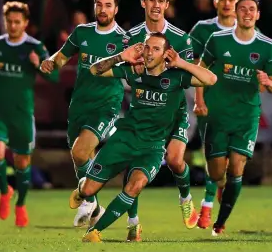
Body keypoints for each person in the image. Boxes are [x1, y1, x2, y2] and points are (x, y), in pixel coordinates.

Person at [69, 32, 217, 242]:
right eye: (147, 48)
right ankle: (83, 189)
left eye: (156, 49)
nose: (149, 53)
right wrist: (121, 56)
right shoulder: (133, 71)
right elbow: (94, 70)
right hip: (124, 140)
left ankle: (94, 232)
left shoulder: (176, 76)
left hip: (152, 147)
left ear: (166, 54)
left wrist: (181, 63)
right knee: (88, 189)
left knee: (136, 184)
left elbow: (211, 78)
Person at [39, 0, 126, 227]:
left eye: (108, 5)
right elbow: (62, 56)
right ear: (94, 6)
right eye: (99, 4)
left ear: (116, 9)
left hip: (107, 105)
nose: (103, 9)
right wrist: (50, 62)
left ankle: (86, 199)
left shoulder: (124, 39)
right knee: (81, 157)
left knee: (80, 151)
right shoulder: (82, 32)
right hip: (79, 104)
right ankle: (95, 206)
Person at [199, 0, 272, 236]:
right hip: (218, 116)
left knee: (237, 167)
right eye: (242, 9)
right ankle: (220, 186)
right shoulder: (217, 39)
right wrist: (200, 100)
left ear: (258, 15)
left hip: (246, 117)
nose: (247, 13)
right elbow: (200, 71)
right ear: (235, 13)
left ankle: (220, 223)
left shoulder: (266, 45)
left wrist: (269, 81)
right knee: (216, 173)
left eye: (252, 9)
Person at [122, 0, 198, 240]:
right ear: (143, 3)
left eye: (160, 0)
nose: (156, 5)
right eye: (151, 0)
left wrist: (174, 65)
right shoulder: (130, 37)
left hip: (173, 110)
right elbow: (120, 72)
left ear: (167, 4)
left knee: (176, 161)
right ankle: (133, 223)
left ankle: (185, 196)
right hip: (142, 110)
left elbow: (189, 72)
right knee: (132, 165)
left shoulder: (181, 37)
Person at [0, 1, 59, 227]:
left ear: (25, 23)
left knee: (22, 163)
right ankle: (5, 192)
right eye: (9, 22)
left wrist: (38, 65)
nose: (13, 26)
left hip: (22, 114)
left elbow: (53, 78)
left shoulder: (35, 48)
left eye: (17, 22)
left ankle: (21, 204)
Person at [189, 0, 239, 229]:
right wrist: (199, 99)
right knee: (214, 157)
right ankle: (208, 204)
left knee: (229, 161)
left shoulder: (246, 30)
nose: (228, 3)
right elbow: (194, 64)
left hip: (237, 105)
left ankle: (216, 192)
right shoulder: (202, 29)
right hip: (209, 102)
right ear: (215, 2)